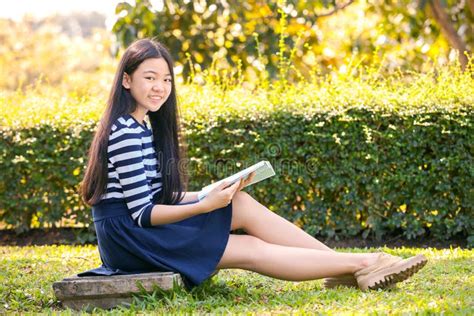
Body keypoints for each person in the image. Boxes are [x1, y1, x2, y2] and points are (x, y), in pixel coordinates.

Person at [80, 38, 427, 291]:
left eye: (166, 79)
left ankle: (339, 268)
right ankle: (364, 264)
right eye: (150, 77)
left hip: (137, 230)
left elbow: (156, 195)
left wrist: (205, 193)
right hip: (130, 240)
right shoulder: (125, 130)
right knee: (249, 249)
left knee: (240, 202)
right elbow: (142, 212)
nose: (160, 87)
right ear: (127, 80)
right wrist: (204, 204)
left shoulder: (143, 125)